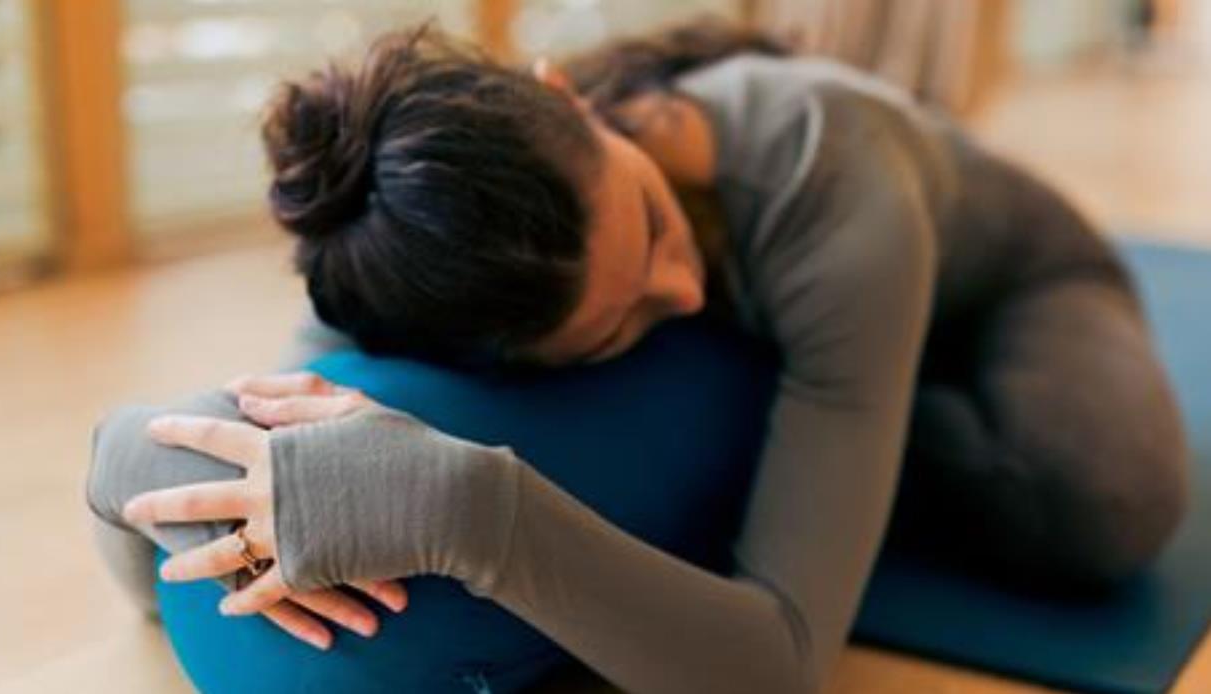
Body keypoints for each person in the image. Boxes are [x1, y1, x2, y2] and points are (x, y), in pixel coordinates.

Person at [86, 17, 1189, 693]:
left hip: (1012, 283)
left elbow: (780, 666)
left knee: (1101, 505)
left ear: (569, 100)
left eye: (655, 225)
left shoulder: (827, 180)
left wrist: (476, 511)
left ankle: (871, 426)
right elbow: (266, 416)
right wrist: (125, 462)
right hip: (825, 326)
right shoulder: (428, 241)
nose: (687, 290)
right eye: (616, 326)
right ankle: (838, 421)